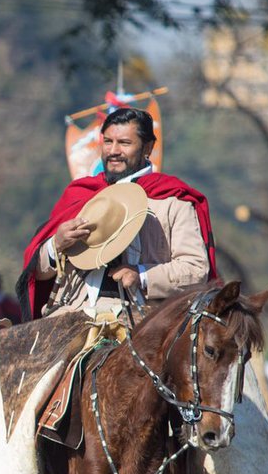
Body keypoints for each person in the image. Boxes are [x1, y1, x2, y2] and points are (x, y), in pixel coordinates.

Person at [18, 107, 217, 321]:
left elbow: (196, 270)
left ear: (147, 147)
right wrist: (55, 245)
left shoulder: (172, 201)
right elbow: (37, 274)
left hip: (142, 321)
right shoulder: (81, 194)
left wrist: (141, 275)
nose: (113, 150)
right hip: (69, 314)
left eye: (124, 143)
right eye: (107, 142)